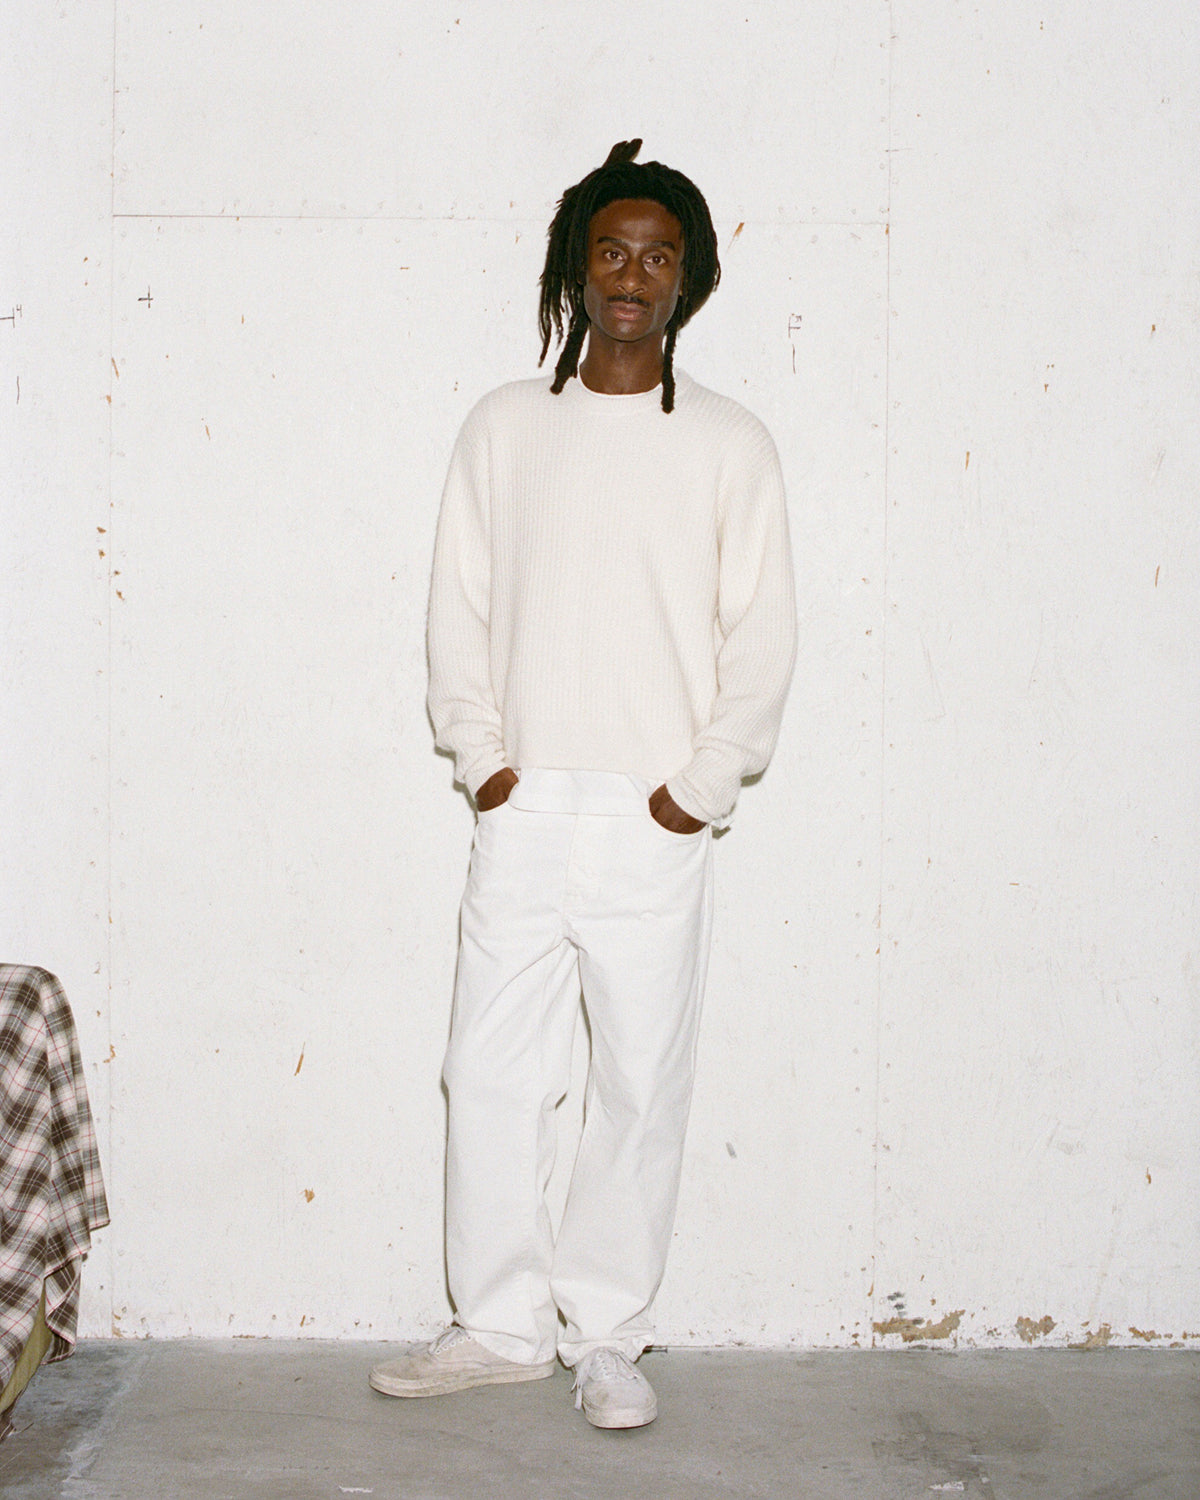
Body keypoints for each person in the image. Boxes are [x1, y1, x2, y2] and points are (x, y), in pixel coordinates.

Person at [370, 140, 796, 1429]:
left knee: (639, 1082)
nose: (632, 275)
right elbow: (458, 608)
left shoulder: (730, 442)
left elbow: (761, 637)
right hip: (525, 807)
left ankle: (607, 1336)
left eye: (658, 257)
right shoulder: (506, 426)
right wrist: (486, 765)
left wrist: (697, 789)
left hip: (654, 817)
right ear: (575, 266)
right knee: (489, 1071)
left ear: (689, 279)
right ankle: (499, 1325)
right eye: (610, 250)